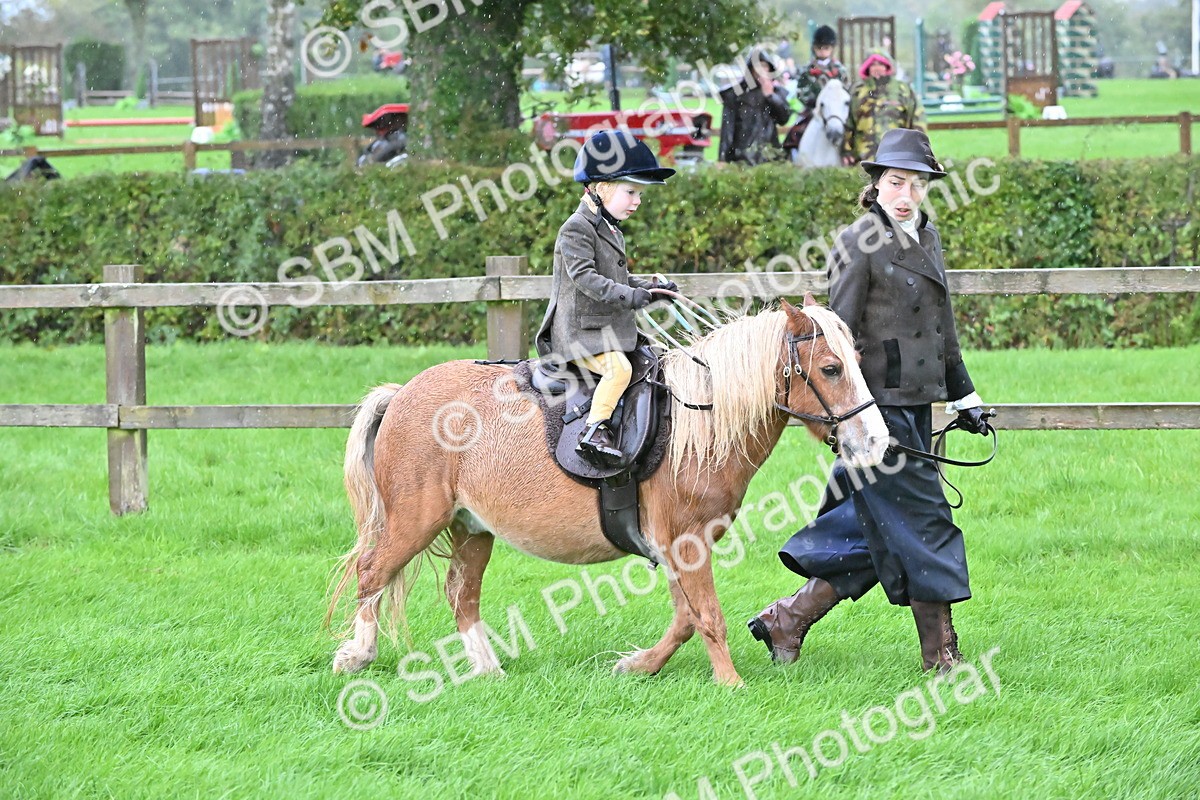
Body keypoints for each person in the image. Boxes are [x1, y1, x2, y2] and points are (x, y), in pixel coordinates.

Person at [747, 129, 991, 673]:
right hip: (874, 413)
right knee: (926, 524)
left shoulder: (927, 237)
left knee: (875, 528)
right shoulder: (859, 241)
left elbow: (942, 329)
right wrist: (850, 418)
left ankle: (786, 620)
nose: (906, 195)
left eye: (917, 184)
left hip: (919, 405)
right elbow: (836, 335)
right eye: (896, 182)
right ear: (877, 184)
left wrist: (965, 395)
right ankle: (942, 659)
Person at [534, 130, 677, 467]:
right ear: (601, 188)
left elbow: (618, 279)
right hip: (580, 334)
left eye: (639, 193)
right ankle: (594, 430)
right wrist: (633, 297)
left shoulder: (610, 228)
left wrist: (653, 287)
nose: (637, 201)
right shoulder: (576, 228)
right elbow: (587, 280)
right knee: (618, 369)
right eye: (630, 192)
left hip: (607, 331)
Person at [843, 49, 926, 166]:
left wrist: (918, 149)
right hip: (864, 160)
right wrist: (847, 151)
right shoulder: (857, 91)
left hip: (897, 157)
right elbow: (849, 123)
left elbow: (918, 119)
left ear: (888, 67)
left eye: (881, 64)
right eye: (873, 65)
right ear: (867, 68)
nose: (877, 68)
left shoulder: (903, 90)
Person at [718, 48, 793, 166]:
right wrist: (722, 158)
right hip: (741, 159)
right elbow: (727, 130)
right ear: (751, 70)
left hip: (770, 158)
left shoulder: (777, 93)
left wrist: (770, 96)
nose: (761, 71)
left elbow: (784, 119)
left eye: (764, 66)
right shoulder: (735, 95)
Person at [782, 25, 849, 153]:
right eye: (819, 48)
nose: (822, 51)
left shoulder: (840, 70)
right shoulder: (807, 70)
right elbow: (800, 91)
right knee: (795, 133)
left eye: (826, 48)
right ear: (814, 48)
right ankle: (791, 157)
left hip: (836, 112)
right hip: (813, 110)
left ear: (832, 49)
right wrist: (813, 102)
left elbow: (846, 90)